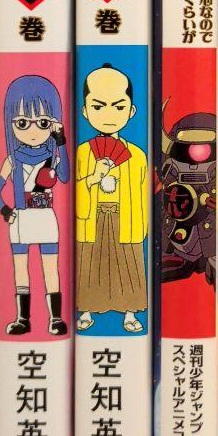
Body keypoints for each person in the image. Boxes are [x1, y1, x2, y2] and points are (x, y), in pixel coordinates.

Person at [76, 64, 148, 333]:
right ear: (85, 111)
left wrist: (140, 227)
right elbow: (76, 189)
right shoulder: (83, 152)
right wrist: (93, 178)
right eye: (98, 106)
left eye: (118, 107)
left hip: (125, 217)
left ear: (131, 111)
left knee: (128, 263)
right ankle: (87, 309)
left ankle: (129, 312)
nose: (108, 115)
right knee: (90, 262)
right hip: (92, 217)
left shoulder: (137, 155)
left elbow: (141, 192)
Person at [0, 75, 69, 335]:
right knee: (20, 269)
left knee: (51, 268)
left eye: (43, 122)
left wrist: (61, 142)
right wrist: (5, 210)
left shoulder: (53, 157)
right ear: (11, 123)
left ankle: (56, 318)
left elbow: (65, 176)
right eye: (23, 123)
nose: (33, 131)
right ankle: (22, 318)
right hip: (21, 218)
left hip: (45, 216)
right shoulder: (12, 159)